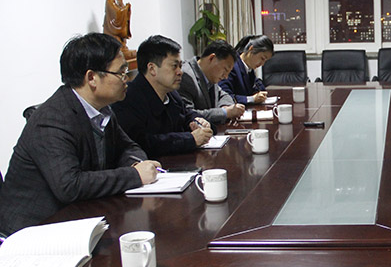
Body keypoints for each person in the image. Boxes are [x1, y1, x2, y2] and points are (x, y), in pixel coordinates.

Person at [0, 33, 159, 235]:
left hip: (80, 217)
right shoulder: (52, 120)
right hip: (34, 231)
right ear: (92, 78)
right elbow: (70, 186)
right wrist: (134, 175)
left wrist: (135, 164)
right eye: (120, 72)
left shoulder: (102, 109)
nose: (126, 79)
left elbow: (128, 147)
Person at [113, 35, 213, 158]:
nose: (180, 72)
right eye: (174, 66)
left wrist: (197, 121)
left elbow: (187, 114)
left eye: (180, 66)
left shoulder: (171, 93)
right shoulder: (128, 98)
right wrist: (190, 139)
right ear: (152, 69)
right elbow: (142, 143)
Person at [179, 40, 245, 125]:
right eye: (225, 70)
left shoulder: (209, 74)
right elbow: (188, 114)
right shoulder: (186, 76)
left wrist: (226, 106)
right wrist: (225, 112)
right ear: (211, 58)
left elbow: (223, 95)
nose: (226, 76)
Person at [219, 35, 274, 105]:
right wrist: (251, 99)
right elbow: (225, 97)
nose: (262, 64)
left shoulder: (249, 68)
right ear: (251, 49)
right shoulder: (231, 66)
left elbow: (257, 85)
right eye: (262, 58)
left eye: (265, 61)